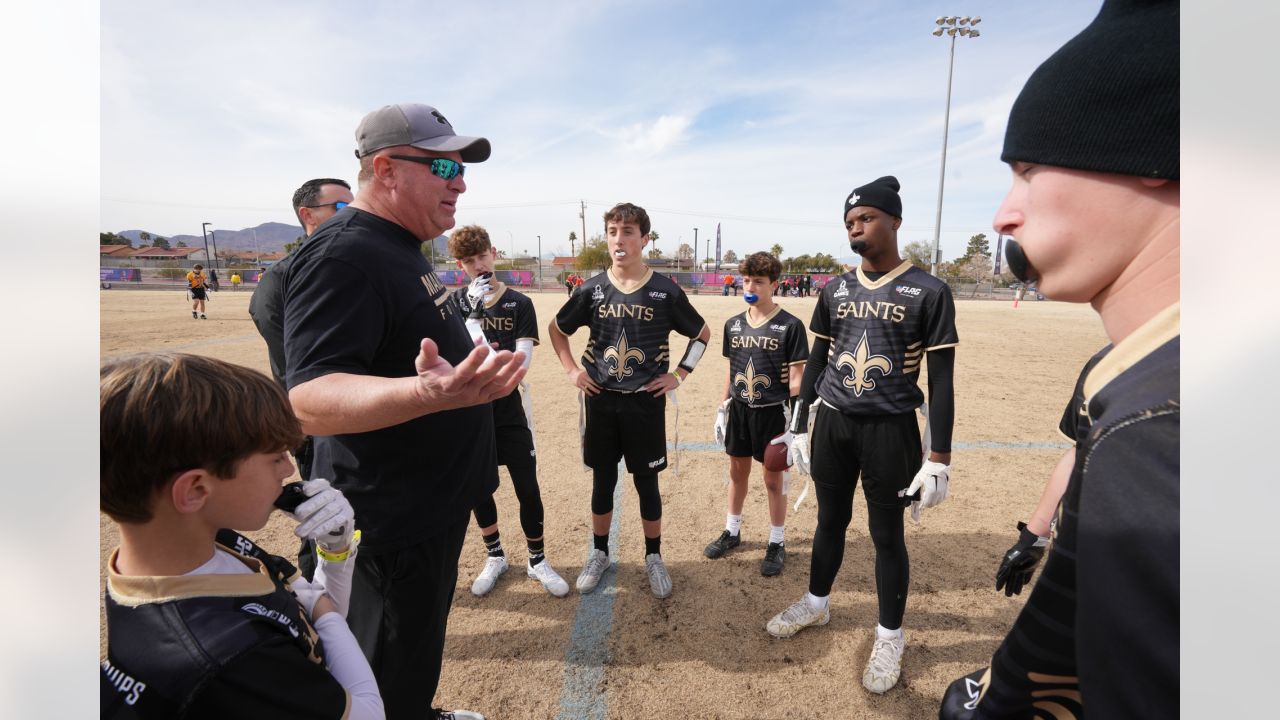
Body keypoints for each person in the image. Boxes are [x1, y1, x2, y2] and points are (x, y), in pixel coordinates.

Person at [940, 1, 1178, 717]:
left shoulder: (1166, 435)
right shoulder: (1142, 381)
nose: (1003, 214)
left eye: (1031, 169)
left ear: (1152, 154)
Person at [282, 102, 525, 720]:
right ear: (386, 169)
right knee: (382, 670)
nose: (461, 181)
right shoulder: (345, 256)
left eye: (462, 166)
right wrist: (427, 395)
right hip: (388, 524)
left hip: (426, 513)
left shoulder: (401, 246)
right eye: (445, 164)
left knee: (410, 661)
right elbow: (308, 398)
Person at [99, 352, 383, 719]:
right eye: (274, 457)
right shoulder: (225, 656)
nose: (288, 469)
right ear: (196, 490)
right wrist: (326, 613)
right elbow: (369, 714)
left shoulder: (211, 543)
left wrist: (336, 551)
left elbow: (304, 617)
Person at [765, 176, 958, 697]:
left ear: (895, 221)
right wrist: (800, 424)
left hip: (891, 429)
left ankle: (889, 635)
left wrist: (938, 455)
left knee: (886, 535)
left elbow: (941, 381)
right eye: (850, 222)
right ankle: (817, 603)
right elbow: (819, 362)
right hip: (834, 423)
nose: (856, 228)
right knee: (830, 520)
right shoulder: (835, 289)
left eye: (866, 218)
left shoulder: (931, 291)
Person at [549, 202, 710, 599]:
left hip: (644, 402)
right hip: (601, 399)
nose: (618, 240)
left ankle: (653, 556)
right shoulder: (591, 288)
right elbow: (556, 329)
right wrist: (573, 370)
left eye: (627, 232)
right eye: (612, 232)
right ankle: (599, 554)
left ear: (644, 239)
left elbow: (702, 334)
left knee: (646, 482)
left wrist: (680, 374)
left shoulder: (665, 290)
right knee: (603, 481)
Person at [448, 224, 570, 598]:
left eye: (482, 256)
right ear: (460, 265)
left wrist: (473, 324)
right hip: (470, 412)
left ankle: (537, 560)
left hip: (508, 409)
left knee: (526, 486)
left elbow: (519, 364)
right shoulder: (454, 302)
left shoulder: (519, 302)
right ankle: (496, 555)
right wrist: (466, 313)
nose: (478, 265)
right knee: (478, 488)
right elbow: (457, 361)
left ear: (494, 252)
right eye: (469, 261)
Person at [706, 251, 809, 576]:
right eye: (746, 280)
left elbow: (796, 380)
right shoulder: (733, 325)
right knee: (737, 472)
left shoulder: (790, 326)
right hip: (740, 410)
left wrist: (797, 424)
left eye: (758, 281)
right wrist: (723, 405)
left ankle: (777, 541)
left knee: (772, 479)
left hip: (772, 414)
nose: (750, 286)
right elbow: (732, 368)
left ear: (773, 284)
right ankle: (732, 531)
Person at [249, 177, 355, 482]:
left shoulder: (357, 266)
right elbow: (290, 361)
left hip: (371, 417)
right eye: (341, 207)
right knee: (329, 514)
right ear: (307, 215)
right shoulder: (281, 277)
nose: (352, 213)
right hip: (320, 426)